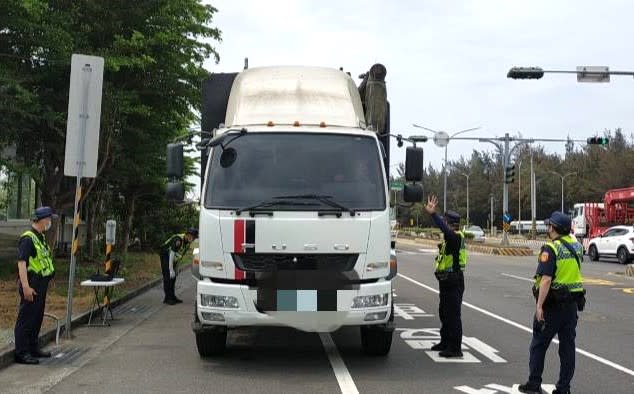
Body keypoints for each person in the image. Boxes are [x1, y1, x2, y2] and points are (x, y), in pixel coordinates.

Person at [519, 211, 585, 394]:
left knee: (539, 345)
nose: (547, 228)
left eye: (549, 226)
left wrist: (539, 306)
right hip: (571, 307)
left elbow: (546, 279)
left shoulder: (551, 248)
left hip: (552, 306)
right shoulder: (577, 246)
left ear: (554, 228)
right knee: (567, 349)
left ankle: (534, 383)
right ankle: (564, 388)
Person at [423, 195, 467, 358]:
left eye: (445, 221)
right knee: (444, 312)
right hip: (446, 280)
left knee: (453, 315)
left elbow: (445, 230)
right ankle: (445, 342)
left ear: (449, 224)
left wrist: (433, 214)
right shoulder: (452, 238)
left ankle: (455, 348)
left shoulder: (455, 237)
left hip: (454, 280)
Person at [14, 206, 57, 365]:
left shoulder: (40, 237)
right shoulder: (28, 238)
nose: (50, 222)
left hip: (40, 284)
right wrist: (25, 286)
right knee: (26, 319)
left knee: (36, 318)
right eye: (49, 219)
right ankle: (21, 353)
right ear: (43, 220)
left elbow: (41, 261)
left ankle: (33, 347)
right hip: (31, 284)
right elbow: (21, 263)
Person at [160, 228, 198, 305]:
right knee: (168, 277)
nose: (192, 239)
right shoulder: (178, 240)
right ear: (187, 235)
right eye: (191, 236)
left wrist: (176, 268)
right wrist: (171, 269)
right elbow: (172, 254)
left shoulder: (187, 242)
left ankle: (172, 296)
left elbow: (179, 255)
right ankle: (167, 298)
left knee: (173, 278)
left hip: (172, 257)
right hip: (165, 255)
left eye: (193, 237)